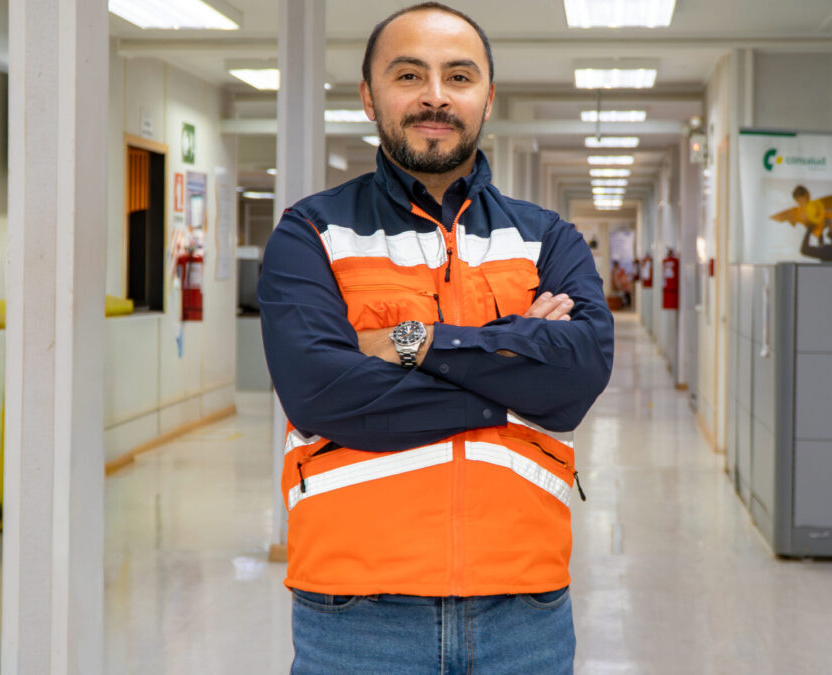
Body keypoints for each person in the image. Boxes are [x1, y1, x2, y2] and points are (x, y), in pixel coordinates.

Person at [257, 3, 614, 673]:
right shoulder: (311, 234)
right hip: (356, 612)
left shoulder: (547, 238)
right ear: (369, 95)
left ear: (487, 97)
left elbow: (581, 369)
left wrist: (412, 341)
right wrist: (515, 392)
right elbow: (323, 393)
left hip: (525, 607)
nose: (435, 96)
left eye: (458, 76)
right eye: (408, 74)